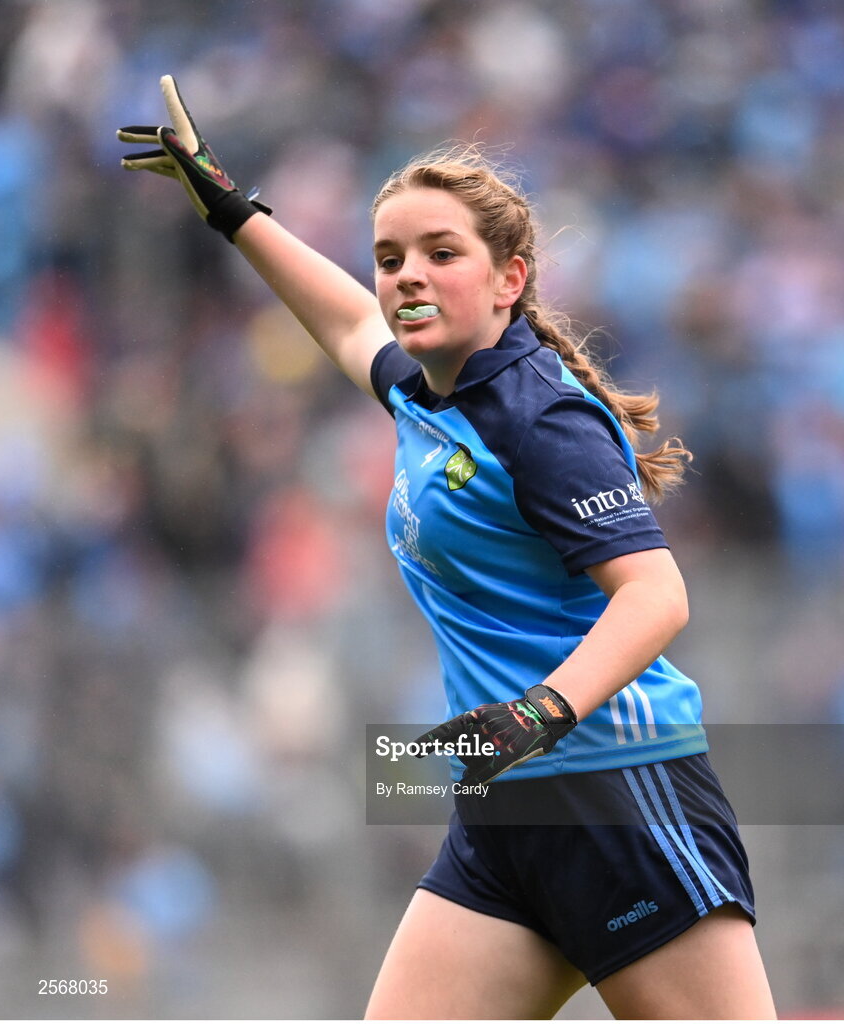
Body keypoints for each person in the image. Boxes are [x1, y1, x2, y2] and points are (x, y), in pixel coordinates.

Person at [118, 76, 777, 1020]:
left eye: (439, 253)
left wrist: (535, 714)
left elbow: (657, 595)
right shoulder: (431, 394)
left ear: (510, 278)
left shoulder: (537, 416)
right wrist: (232, 210)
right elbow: (348, 322)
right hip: (503, 823)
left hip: (617, 799)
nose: (405, 276)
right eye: (390, 258)